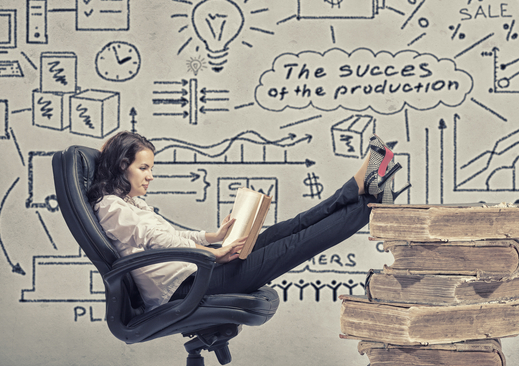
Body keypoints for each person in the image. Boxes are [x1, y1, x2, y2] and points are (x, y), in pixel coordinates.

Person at [87, 130, 406, 311]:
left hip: (195, 272)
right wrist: (212, 254)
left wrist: (213, 237)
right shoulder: (112, 208)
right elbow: (157, 242)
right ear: (120, 166)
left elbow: (167, 237)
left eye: (150, 168)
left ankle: (359, 189)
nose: (150, 176)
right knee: (293, 245)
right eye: (143, 169)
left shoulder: (129, 204)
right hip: (187, 287)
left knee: (287, 230)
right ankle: (370, 201)